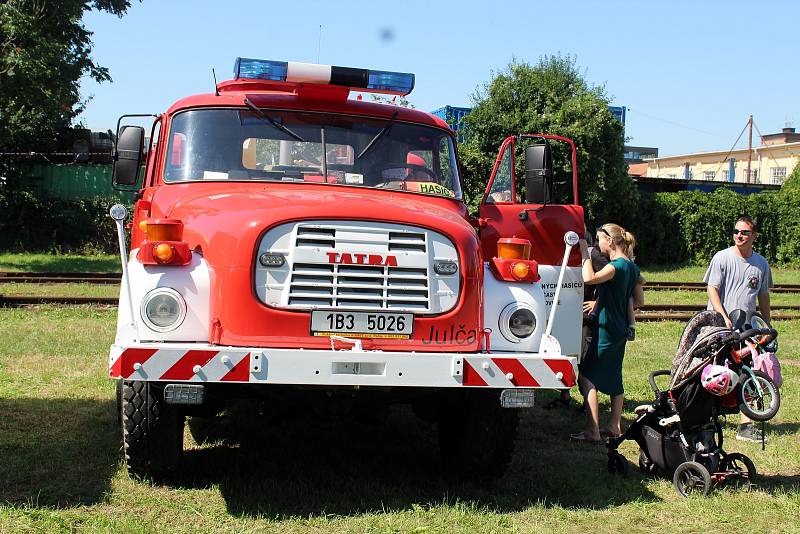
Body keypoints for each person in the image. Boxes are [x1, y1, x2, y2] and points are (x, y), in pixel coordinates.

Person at [570, 224, 644, 442]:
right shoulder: (632, 267)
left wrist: (585, 253)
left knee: (586, 375)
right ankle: (614, 425)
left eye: (600, 239)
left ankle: (593, 430)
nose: (597, 244)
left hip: (606, 328)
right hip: (620, 328)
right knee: (614, 375)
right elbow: (639, 300)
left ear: (610, 241)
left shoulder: (616, 267)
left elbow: (589, 279)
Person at [704, 215, 773, 443]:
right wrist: (723, 316)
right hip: (720, 326)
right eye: (736, 231)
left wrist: (766, 326)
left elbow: (763, 296)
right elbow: (712, 289)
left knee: (748, 371)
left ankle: (746, 425)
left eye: (744, 232)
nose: (739, 235)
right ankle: (707, 417)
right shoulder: (722, 258)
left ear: (754, 236)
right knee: (715, 371)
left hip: (746, 328)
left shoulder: (761, 264)